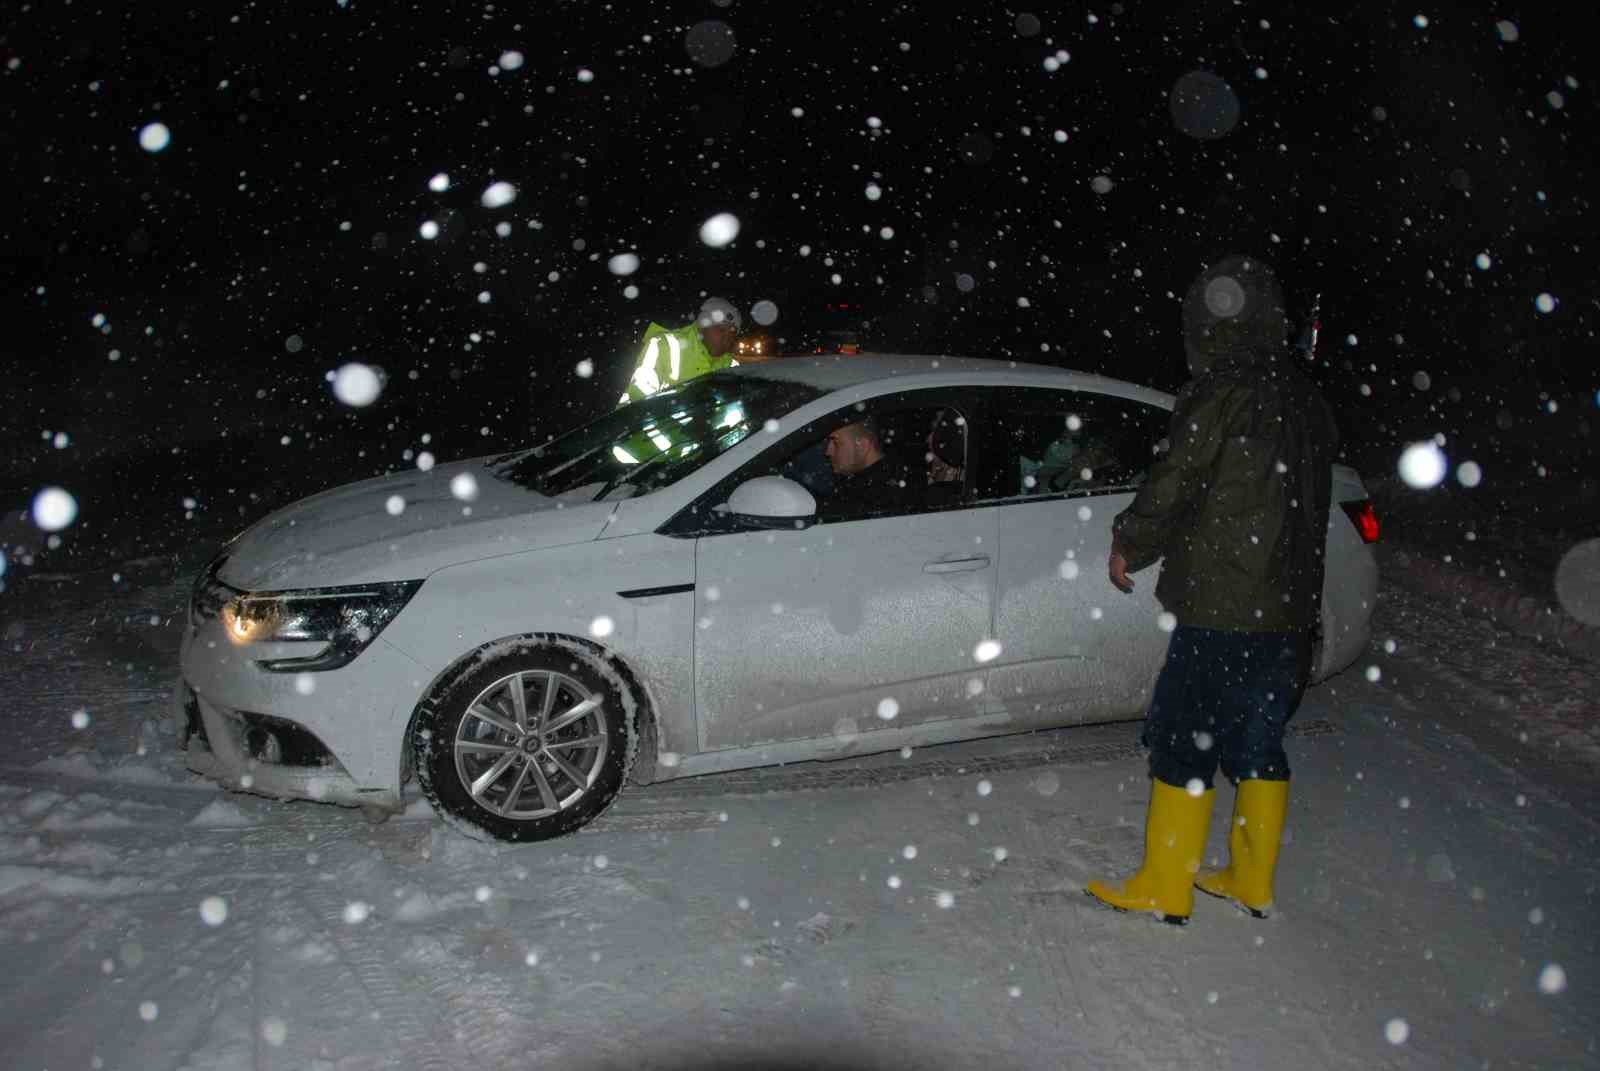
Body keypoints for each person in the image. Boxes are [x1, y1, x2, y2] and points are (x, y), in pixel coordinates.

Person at [1085, 254, 1339, 926]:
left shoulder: (1223, 389)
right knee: (1259, 737)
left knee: (1184, 733)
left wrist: (1130, 540)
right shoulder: (1306, 395)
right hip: (1286, 607)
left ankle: (1166, 882)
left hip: (1221, 603)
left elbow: (1178, 477)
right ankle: (1252, 878)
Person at [618, 296, 742, 405]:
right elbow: (640, 400)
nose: (727, 338)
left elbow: (733, 407)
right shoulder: (665, 345)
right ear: (703, 326)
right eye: (720, 330)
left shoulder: (732, 366)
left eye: (733, 333)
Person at [823, 418, 919, 517]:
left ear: (862, 446)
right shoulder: (864, 484)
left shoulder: (881, 497)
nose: (828, 452)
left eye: (836, 443)